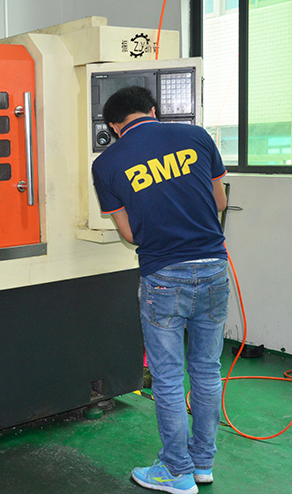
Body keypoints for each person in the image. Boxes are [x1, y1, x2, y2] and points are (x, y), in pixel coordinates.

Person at [91, 86, 229, 494]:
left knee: (168, 378)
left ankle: (176, 471)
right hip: (213, 268)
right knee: (207, 370)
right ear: (153, 109)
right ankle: (202, 464)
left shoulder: (107, 163)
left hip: (164, 276)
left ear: (114, 126)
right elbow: (220, 201)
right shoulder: (196, 137)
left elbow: (130, 234)